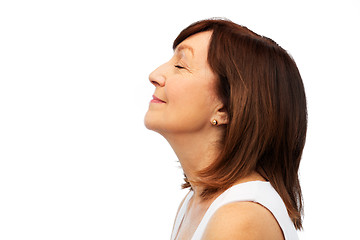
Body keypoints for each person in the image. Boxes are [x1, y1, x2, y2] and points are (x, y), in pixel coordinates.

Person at [144, 19, 307, 240]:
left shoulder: (239, 217)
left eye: (180, 66)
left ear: (225, 108)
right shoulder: (196, 202)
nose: (154, 75)